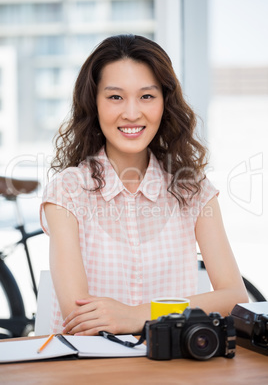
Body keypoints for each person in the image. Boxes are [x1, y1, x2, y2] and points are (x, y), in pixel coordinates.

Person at [40, 34, 248, 336]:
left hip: (173, 367)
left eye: (147, 96)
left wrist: (140, 315)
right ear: (93, 104)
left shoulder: (192, 188)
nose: (132, 113)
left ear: (165, 102)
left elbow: (235, 297)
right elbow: (80, 317)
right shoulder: (68, 191)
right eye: (115, 97)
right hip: (88, 371)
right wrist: (169, 312)